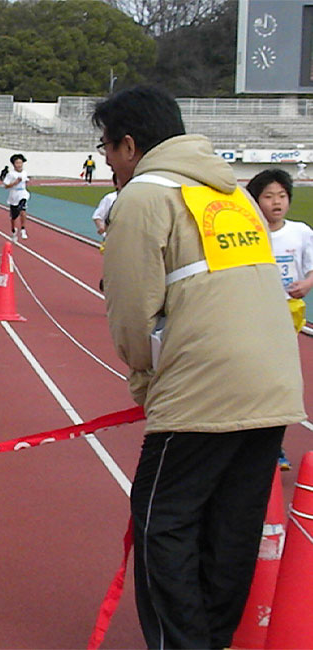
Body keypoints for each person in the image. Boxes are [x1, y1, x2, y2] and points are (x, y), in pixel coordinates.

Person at [93, 85, 305, 649]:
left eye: (108, 149)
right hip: (274, 384)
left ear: (130, 146)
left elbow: (131, 309)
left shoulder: (144, 196)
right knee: (231, 525)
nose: (107, 162)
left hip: (203, 388)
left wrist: (144, 378)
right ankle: (211, 638)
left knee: (163, 520)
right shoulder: (232, 194)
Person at [246, 168, 313, 471]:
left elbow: (311, 268)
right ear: (255, 200)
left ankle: (274, 445)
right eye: (269, 196)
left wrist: (308, 284)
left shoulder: (300, 232)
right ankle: (254, 440)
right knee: (255, 378)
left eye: (282, 196)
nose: (276, 202)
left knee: (279, 381)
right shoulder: (248, 233)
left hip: (288, 314)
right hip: (252, 313)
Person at [2, 153, 30, 240]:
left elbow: (26, 181)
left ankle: (23, 229)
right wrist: (15, 183)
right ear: (14, 164)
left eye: (20, 163)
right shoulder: (11, 174)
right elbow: (6, 186)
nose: (19, 165)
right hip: (14, 195)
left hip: (23, 193)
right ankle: (14, 231)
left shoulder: (24, 173)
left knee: (23, 210)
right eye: (17, 163)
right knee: (14, 216)